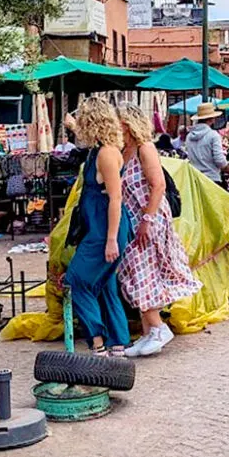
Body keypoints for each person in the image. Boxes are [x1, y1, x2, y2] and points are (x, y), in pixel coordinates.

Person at [114, 104, 201, 357]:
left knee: (139, 271)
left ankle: (159, 328)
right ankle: (148, 333)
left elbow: (158, 184)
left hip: (149, 217)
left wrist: (148, 219)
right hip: (134, 219)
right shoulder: (124, 150)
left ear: (128, 123)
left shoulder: (144, 148)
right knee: (140, 272)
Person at [66, 97, 133, 357]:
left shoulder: (105, 154)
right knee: (105, 285)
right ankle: (118, 343)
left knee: (77, 281)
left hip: (104, 230)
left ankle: (98, 343)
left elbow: (116, 198)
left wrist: (111, 239)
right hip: (101, 227)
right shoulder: (100, 149)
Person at [185, 103, 229, 183]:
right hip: (212, 179)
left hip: (195, 179)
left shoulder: (189, 136)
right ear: (211, 119)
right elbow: (219, 160)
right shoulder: (213, 135)